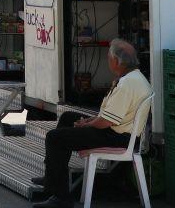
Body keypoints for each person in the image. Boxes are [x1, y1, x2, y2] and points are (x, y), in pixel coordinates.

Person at [32, 39, 153, 208]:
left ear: (116, 61)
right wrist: (90, 120)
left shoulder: (127, 84)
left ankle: (61, 198)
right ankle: (52, 179)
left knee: (55, 138)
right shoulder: (135, 78)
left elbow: (106, 122)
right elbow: (110, 115)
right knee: (68, 117)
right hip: (119, 132)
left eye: (109, 57)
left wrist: (87, 125)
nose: (108, 61)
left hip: (117, 137)